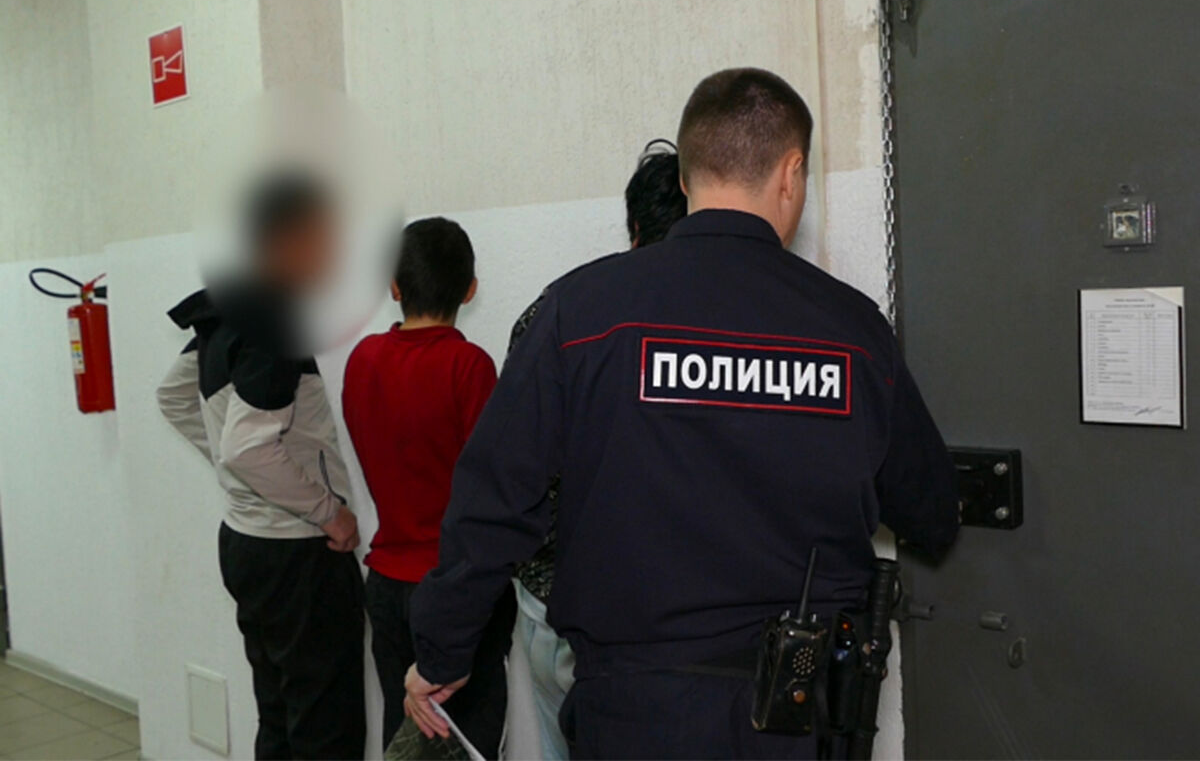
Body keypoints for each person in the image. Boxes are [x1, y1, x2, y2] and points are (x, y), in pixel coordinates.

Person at [404, 67, 959, 759]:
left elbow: (493, 502)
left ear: (689, 177)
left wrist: (442, 652)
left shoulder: (581, 315)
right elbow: (930, 510)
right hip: (795, 717)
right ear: (792, 174)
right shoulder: (852, 331)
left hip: (633, 714)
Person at [157, 173, 365, 760]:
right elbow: (247, 449)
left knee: (278, 718)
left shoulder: (228, 307)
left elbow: (174, 398)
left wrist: (240, 478)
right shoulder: (275, 321)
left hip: (246, 544)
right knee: (325, 731)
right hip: (298, 554)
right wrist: (330, 513)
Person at [506, 139, 688, 760]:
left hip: (557, 599)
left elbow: (515, 471)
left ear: (633, 228)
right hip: (678, 618)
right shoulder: (726, 320)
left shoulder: (558, 311)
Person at [341, 217, 514, 758]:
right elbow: (492, 490)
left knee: (406, 743)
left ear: (395, 287)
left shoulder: (363, 360)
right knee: (468, 746)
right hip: (457, 592)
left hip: (387, 586)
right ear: (470, 288)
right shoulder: (469, 367)